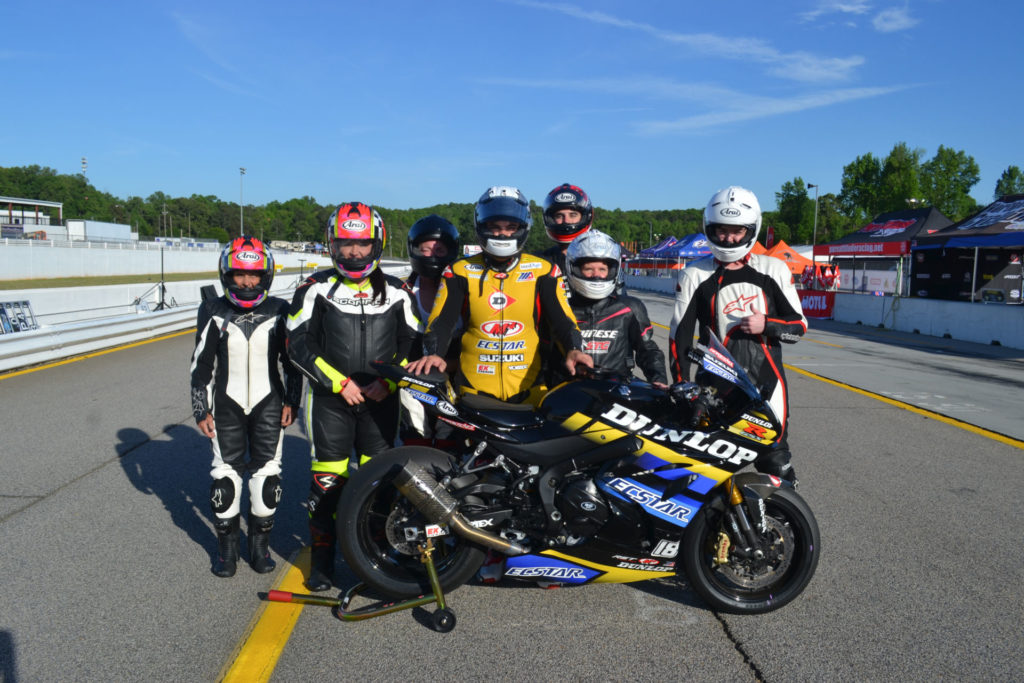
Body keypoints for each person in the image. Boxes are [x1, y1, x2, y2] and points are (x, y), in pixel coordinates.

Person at [287, 202, 420, 591]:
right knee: (328, 483)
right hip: (331, 401)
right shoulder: (314, 288)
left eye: (362, 244)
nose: (354, 253)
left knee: (376, 483)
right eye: (345, 244)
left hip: (381, 400)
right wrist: (338, 383)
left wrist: (389, 382)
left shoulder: (398, 291)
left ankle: (375, 562)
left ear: (376, 244)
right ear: (332, 244)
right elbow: (297, 346)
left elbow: (412, 344)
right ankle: (323, 565)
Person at [669, 186, 806, 483]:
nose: (728, 238)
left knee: (778, 469)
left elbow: (798, 327)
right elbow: (680, 337)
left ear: (751, 229)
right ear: (709, 228)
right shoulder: (694, 274)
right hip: (714, 390)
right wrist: (681, 385)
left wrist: (767, 325)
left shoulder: (774, 269)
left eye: (736, 231)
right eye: (721, 230)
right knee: (704, 474)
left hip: (768, 390)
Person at [406, 185, 592, 404]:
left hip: (531, 389)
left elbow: (562, 320)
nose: (502, 233)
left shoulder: (544, 270)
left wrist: (574, 349)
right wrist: (434, 353)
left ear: (523, 227)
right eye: (494, 227)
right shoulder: (459, 271)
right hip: (473, 390)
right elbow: (441, 321)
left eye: (511, 227)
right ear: (481, 226)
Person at [190, 236, 302, 578]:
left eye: (254, 275)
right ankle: (226, 551)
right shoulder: (213, 309)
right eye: (239, 274)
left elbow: (292, 362)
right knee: (224, 477)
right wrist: (200, 409)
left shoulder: (281, 310)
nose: (247, 282)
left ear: (265, 275)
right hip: (226, 404)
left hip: (270, 402)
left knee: (267, 477)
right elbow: (200, 365)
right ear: (227, 274)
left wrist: (292, 402)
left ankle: (259, 547)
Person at [549, 229, 668, 388]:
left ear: (613, 270)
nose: (596, 275)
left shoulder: (629, 307)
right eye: (589, 269)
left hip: (616, 392)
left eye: (602, 269)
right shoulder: (560, 308)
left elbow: (648, 351)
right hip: (568, 393)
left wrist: (658, 379)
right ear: (574, 268)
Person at [400, 214, 461, 448]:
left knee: (450, 438)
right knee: (415, 437)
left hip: (455, 372)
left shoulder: (465, 291)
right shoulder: (401, 291)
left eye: (439, 249)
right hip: (411, 375)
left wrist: (448, 364)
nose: (432, 256)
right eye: (425, 249)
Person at [541, 183, 594, 274]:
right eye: (559, 216)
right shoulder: (540, 261)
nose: (566, 221)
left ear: (585, 217)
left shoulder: (600, 258)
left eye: (573, 215)